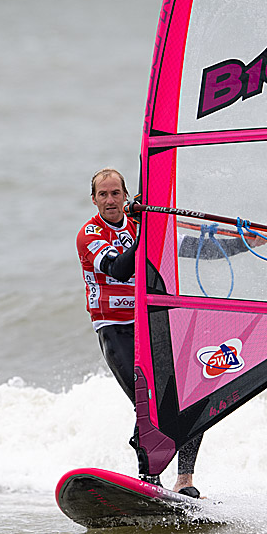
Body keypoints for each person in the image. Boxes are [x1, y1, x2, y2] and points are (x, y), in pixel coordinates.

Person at [76, 167, 204, 497]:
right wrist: (148, 229)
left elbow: (182, 247)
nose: (109, 200)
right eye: (102, 194)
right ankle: (150, 480)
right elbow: (119, 268)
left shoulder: (138, 225)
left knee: (190, 395)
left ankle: (185, 480)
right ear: (93, 199)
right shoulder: (89, 234)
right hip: (115, 328)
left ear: (124, 195)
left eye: (115, 193)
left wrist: (238, 244)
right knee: (148, 404)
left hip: (149, 323)